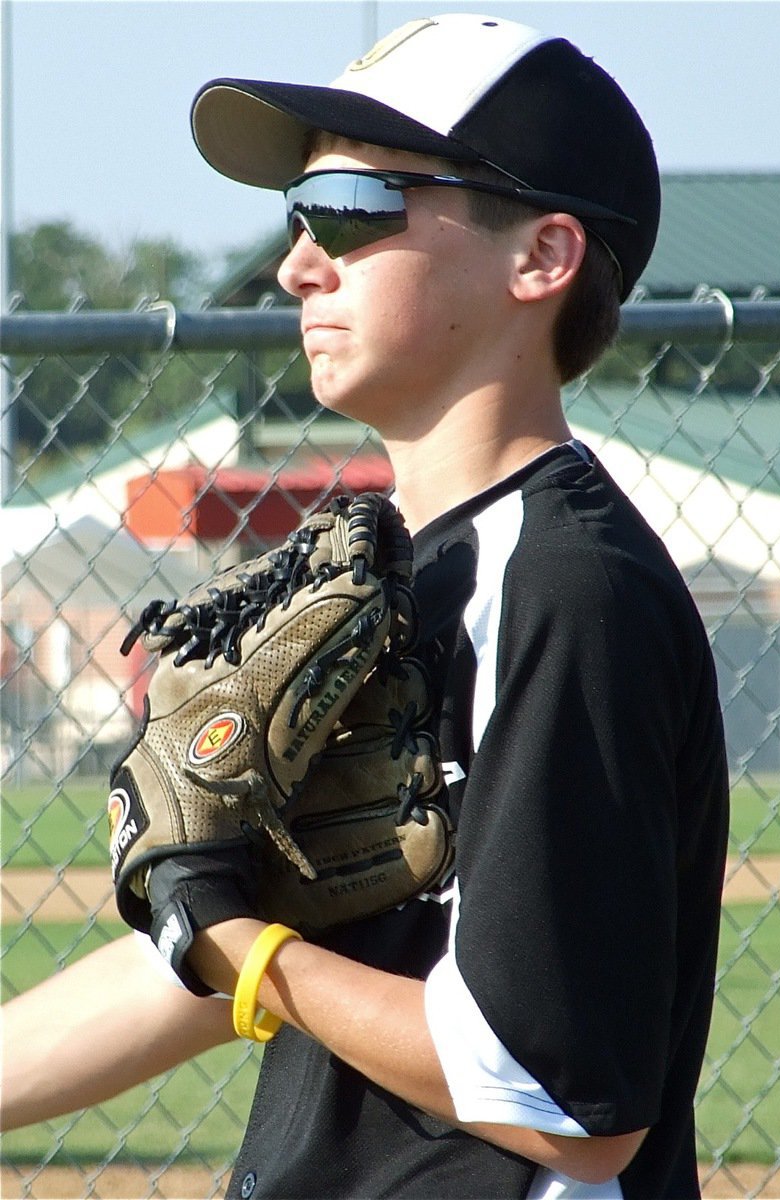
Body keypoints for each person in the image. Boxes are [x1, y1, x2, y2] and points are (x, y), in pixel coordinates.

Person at [1, 13, 729, 1199]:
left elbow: (559, 1097)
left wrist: (239, 939)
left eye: (352, 207)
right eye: (297, 216)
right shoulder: (400, 578)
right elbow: (200, 963)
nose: (298, 262)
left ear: (540, 257)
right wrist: (216, 928)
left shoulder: (562, 588)